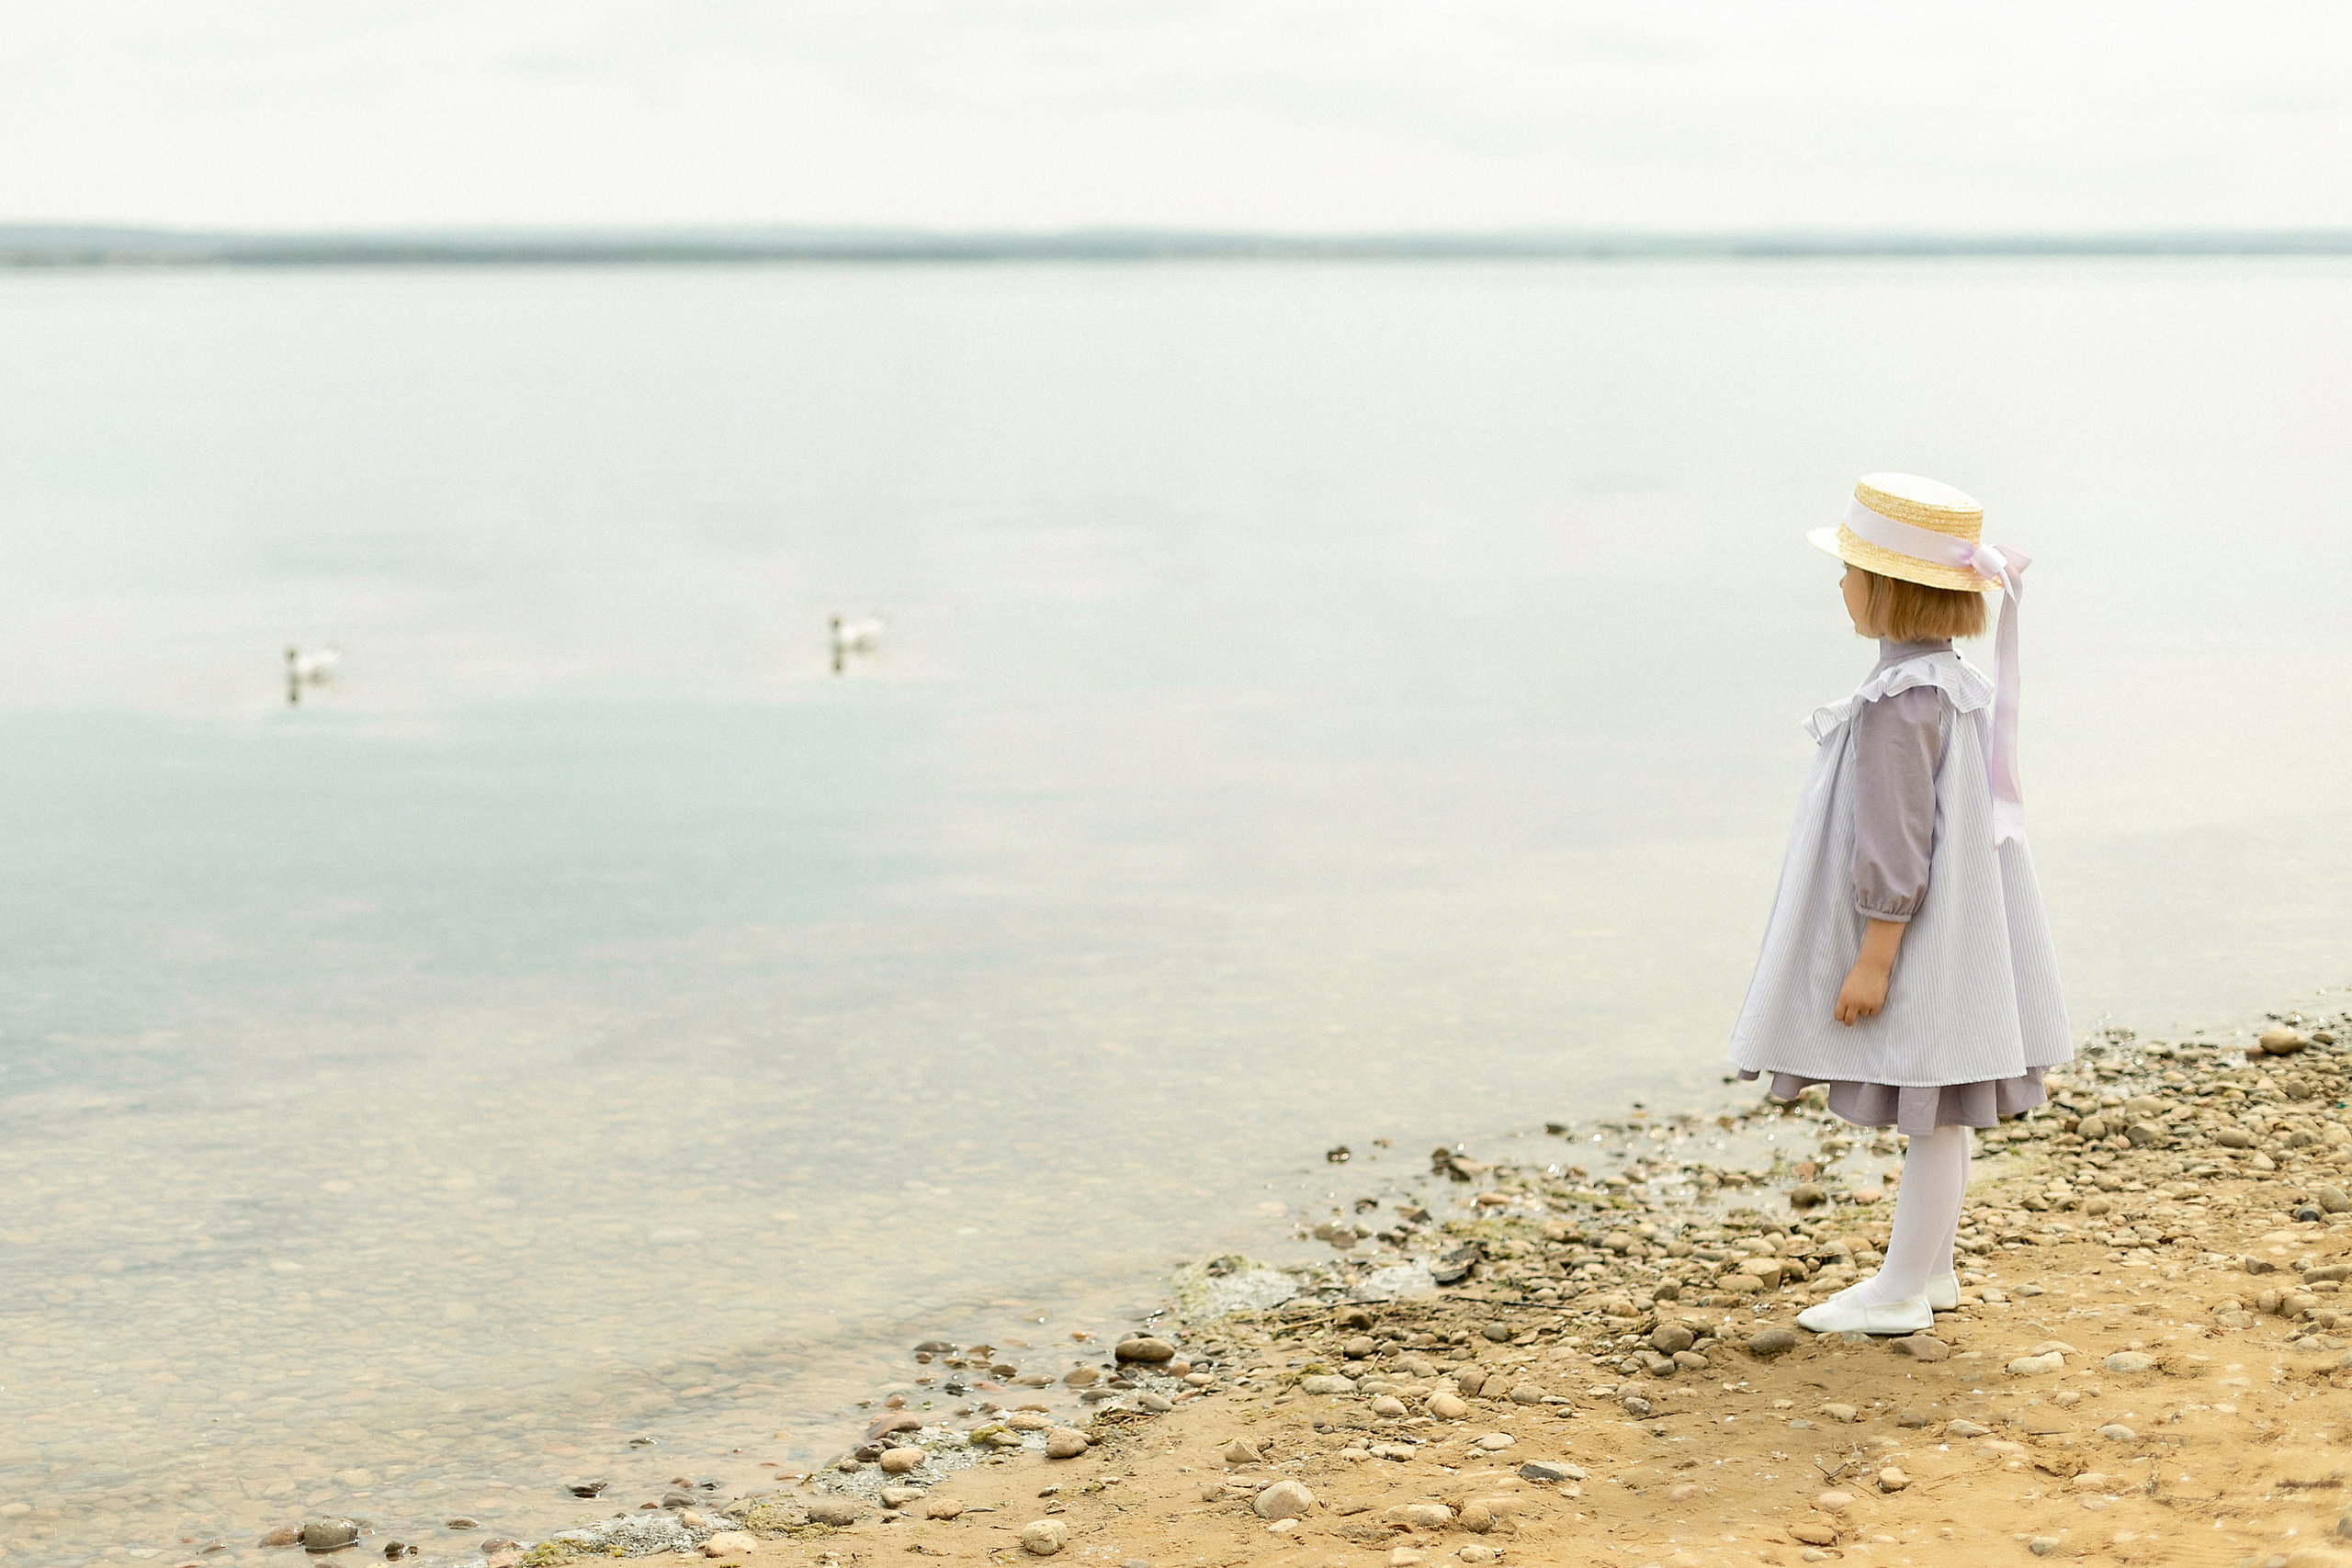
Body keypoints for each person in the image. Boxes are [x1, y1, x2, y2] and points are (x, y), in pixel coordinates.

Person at [1727, 473, 2069, 1336]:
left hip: (1912, 924)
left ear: (1885, 589)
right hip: (1959, 921)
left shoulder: (1899, 703)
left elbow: (1894, 834)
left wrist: (1875, 953)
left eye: (1849, 567)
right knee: (1945, 1102)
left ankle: (1901, 1287)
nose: (1839, 582)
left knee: (1933, 1102)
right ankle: (1934, 1268)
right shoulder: (1951, 684)